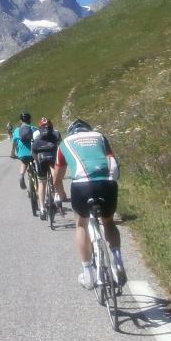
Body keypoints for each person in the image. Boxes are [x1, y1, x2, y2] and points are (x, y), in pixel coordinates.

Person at [53, 118, 126, 289]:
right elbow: (112, 160)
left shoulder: (65, 143)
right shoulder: (100, 137)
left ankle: (88, 274)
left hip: (82, 186)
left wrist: (61, 193)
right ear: (88, 130)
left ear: (72, 132)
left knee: (81, 225)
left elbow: (57, 177)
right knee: (108, 222)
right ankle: (117, 259)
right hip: (107, 182)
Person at [30, 117, 62, 219]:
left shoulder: (36, 134)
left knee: (41, 183)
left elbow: (33, 150)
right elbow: (60, 146)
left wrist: (36, 160)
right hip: (53, 158)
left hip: (41, 159)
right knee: (55, 176)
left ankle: (42, 208)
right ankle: (57, 195)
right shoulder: (56, 133)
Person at [11, 112, 35, 187]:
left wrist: (12, 153)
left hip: (22, 153)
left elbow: (14, 143)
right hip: (33, 152)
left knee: (24, 163)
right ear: (30, 120)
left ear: (21, 121)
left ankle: (21, 176)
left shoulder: (17, 130)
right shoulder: (34, 128)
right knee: (37, 163)